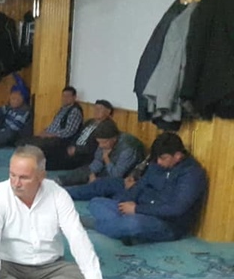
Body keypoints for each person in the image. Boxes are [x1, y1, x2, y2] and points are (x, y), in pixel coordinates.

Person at [0, 145, 109, 279]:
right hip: (9, 266)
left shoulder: (58, 195)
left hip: (50, 267)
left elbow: (77, 237)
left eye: (24, 177)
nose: (16, 183)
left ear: (41, 176)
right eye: (12, 175)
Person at [68, 132, 207, 244]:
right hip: (141, 207)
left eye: (163, 158)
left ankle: (99, 226)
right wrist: (123, 203)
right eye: (157, 158)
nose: (159, 162)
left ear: (177, 156)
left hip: (167, 223)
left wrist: (137, 209)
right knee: (96, 203)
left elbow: (175, 209)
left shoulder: (191, 174)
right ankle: (123, 231)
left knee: (133, 223)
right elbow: (140, 185)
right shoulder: (157, 164)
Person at [56, 120, 145, 187]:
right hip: (106, 169)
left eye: (104, 142)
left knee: (97, 185)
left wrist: (106, 159)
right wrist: (92, 173)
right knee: (84, 171)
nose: (101, 145)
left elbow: (117, 175)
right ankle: (60, 181)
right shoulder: (104, 142)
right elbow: (97, 161)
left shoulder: (128, 148)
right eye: (99, 142)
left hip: (123, 178)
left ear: (114, 138)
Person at [42, 99, 114, 171]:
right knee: (49, 152)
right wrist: (72, 145)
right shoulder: (90, 121)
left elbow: (95, 146)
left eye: (100, 109)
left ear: (108, 111)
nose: (96, 111)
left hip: (83, 155)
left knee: (54, 162)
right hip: (74, 148)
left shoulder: (107, 127)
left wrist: (77, 149)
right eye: (95, 108)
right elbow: (78, 134)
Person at [18, 86, 83, 151]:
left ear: (74, 97)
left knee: (31, 146)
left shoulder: (75, 111)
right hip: (49, 136)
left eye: (68, 96)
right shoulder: (63, 109)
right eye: (63, 96)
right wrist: (45, 131)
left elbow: (69, 131)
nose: (64, 98)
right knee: (23, 142)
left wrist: (50, 135)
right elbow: (54, 125)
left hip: (59, 139)